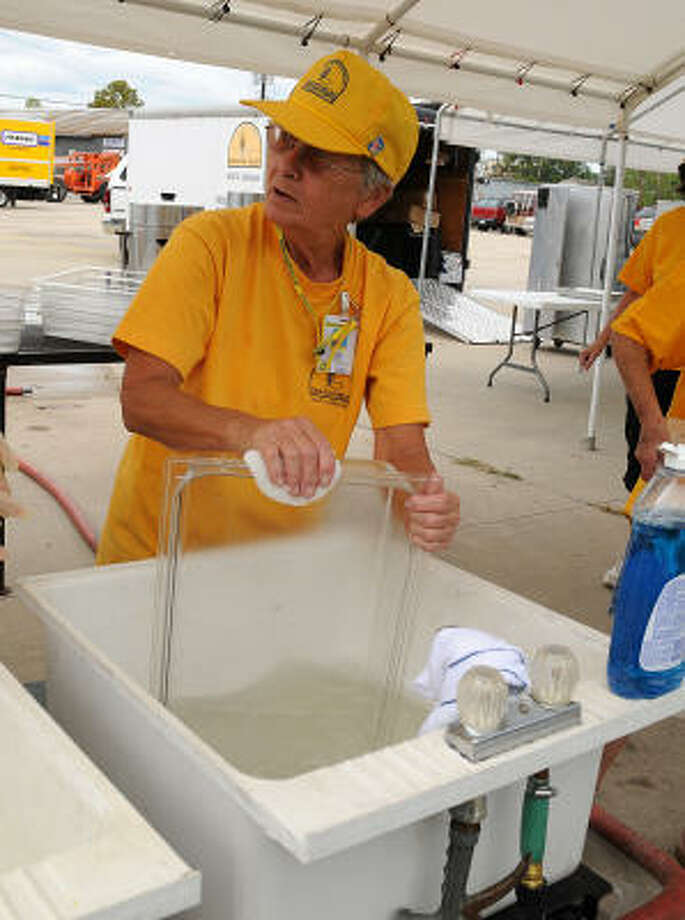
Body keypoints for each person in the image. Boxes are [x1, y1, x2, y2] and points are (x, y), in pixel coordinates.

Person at [97, 50, 459, 565]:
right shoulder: (210, 244)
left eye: (317, 156)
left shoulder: (389, 297)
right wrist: (252, 432)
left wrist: (424, 501)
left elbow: (400, 448)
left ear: (370, 199)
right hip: (157, 560)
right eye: (285, 140)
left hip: (279, 566)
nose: (285, 165)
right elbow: (143, 398)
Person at [579, 164, 684, 582]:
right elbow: (637, 295)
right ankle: (635, 554)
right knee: (644, 466)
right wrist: (602, 338)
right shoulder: (669, 227)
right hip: (653, 365)